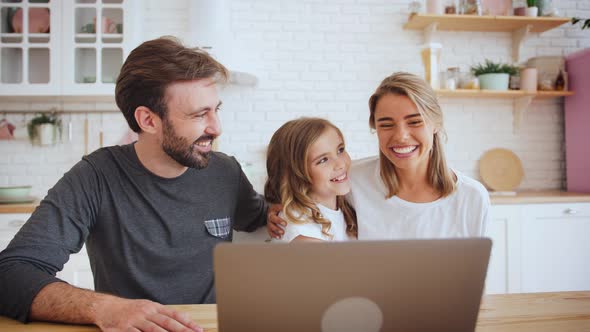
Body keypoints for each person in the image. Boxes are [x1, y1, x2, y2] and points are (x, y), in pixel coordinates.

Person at [0, 37, 268, 331]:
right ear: (148, 120)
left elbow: (267, 216)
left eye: (216, 109)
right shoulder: (95, 176)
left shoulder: (226, 173)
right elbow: (10, 274)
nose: (216, 128)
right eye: (199, 115)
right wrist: (105, 308)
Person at [268, 72, 489, 240]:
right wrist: (277, 209)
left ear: (436, 123)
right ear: (375, 128)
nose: (401, 136)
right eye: (386, 124)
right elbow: (304, 192)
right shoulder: (352, 179)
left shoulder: (472, 197)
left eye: (414, 122)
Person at [264, 118, 357, 243]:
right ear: (296, 175)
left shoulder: (344, 206)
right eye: (323, 160)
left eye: (340, 150)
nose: (340, 164)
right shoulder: (304, 234)